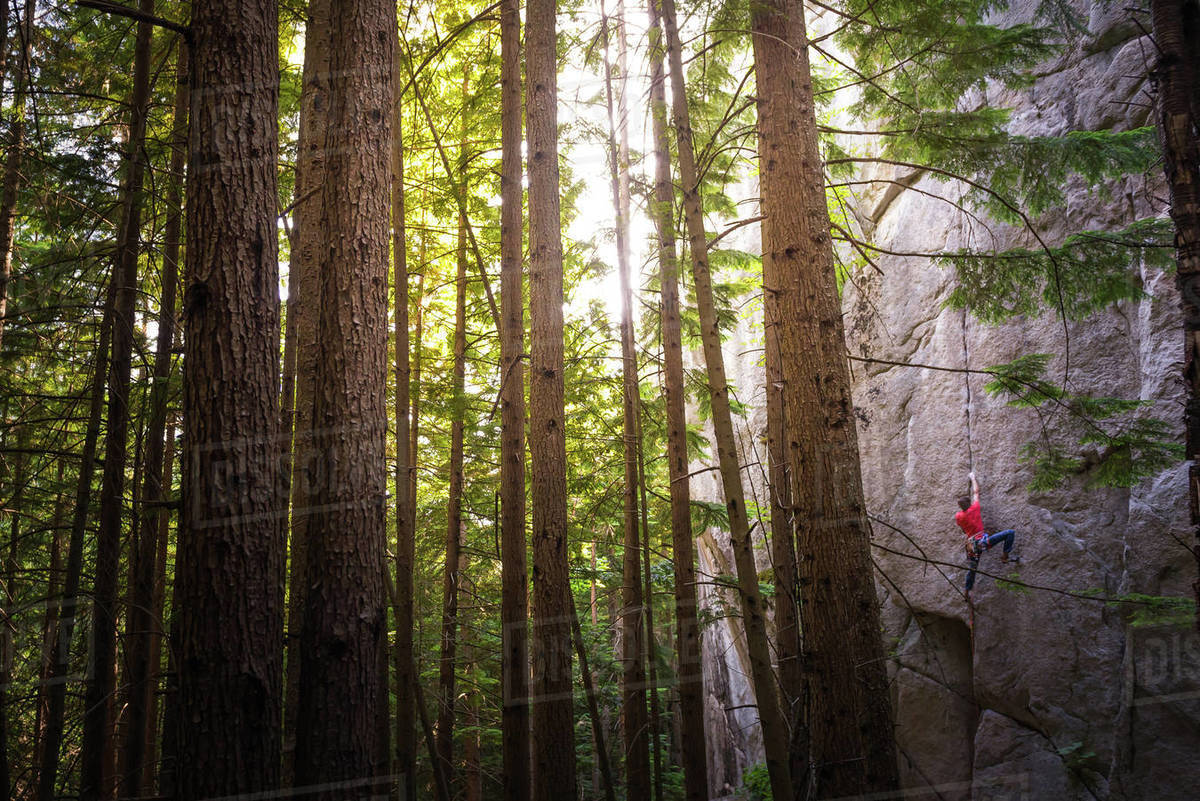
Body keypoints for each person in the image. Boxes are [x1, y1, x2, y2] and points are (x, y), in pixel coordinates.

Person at [955, 471, 1016, 595]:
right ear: (970, 504)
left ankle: (967, 590)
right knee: (1010, 533)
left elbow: (962, 527)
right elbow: (976, 492)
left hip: (971, 545)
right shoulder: (975, 508)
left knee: (972, 569)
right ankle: (1004, 556)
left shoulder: (959, 516)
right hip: (981, 542)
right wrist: (972, 477)